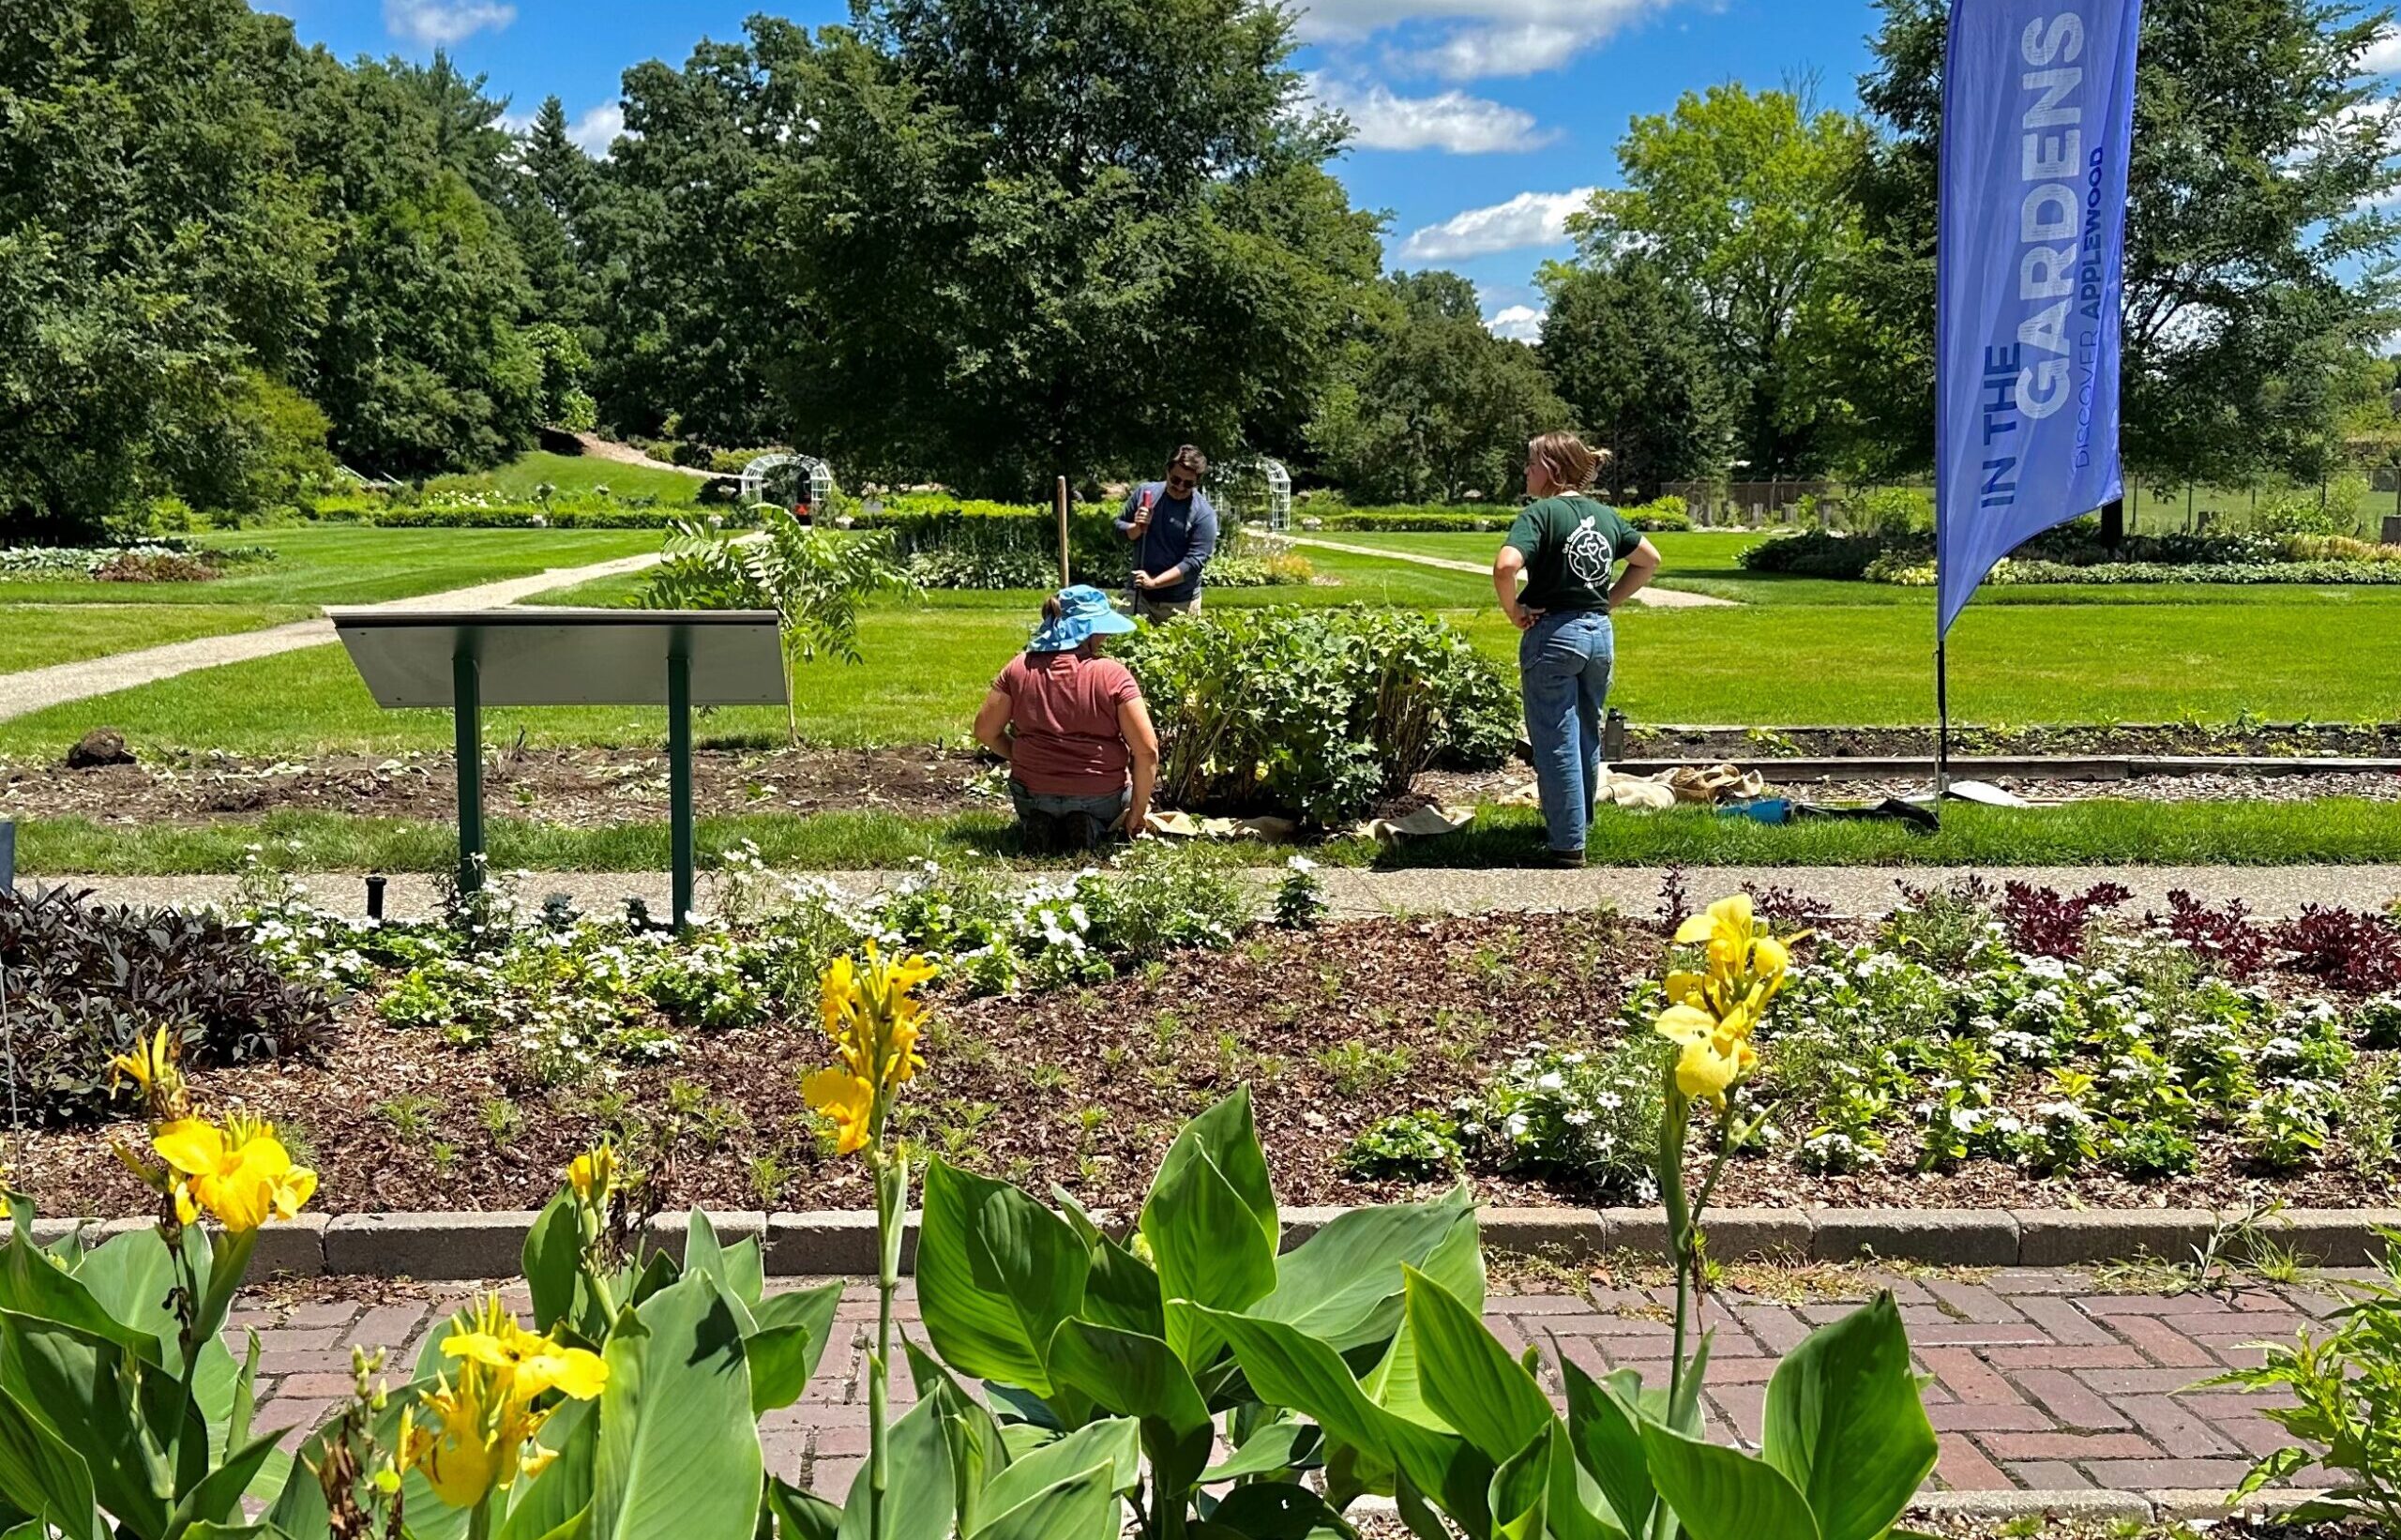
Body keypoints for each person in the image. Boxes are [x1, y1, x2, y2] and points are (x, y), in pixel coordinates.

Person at [1493, 432, 1662, 868]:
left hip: (1553, 634)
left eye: (1531, 464)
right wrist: (1607, 600)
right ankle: (1580, 823)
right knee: (1587, 733)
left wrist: (1514, 611)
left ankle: (1567, 845)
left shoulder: (1540, 514)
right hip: (1598, 635)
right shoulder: (1605, 515)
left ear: (1551, 469)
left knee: (1555, 738)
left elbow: (1506, 566)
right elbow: (1649, 560)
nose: (1525, 472)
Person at [973, 584, 1161, 853]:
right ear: (1089, 631)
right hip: (1099, 795)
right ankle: (1089, 824)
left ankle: (1040, 821)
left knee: (1041, 804)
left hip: (1033, 793)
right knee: (1116, 798)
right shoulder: (1112, 674)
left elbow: (985, 731)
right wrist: (1137, 812)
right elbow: (1147, 751)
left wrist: (1022, 755)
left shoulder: (1019, 667)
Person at [1114, 445, 1219, 622]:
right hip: (1138, 595)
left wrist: (1154, 582)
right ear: (1167, 471)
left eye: (1188, 484)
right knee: (1123, 642)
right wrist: (1137, 527)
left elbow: (1194, 563)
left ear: (1197, 482)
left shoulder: (1203, 514)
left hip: (1180, 603)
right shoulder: (1144, 493)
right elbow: (1118, 531)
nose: (1179, 487)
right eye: (1175, 479)